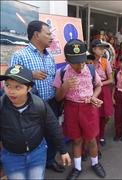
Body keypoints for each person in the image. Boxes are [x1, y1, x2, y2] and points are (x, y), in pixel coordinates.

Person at [10, 20, 65, 172]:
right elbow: (11, 82)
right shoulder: (19, 55)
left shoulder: (49, 57)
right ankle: (33, 167)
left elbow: (55, 80)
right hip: (30, 106)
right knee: (32, 138)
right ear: (36, 35)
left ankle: (50, 160)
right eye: (48, 34)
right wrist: (30, 75)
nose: (51, 37)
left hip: (51, 103)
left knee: (53, 135)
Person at [0, 65, 71, 179]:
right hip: (12, 157)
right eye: (7, 86)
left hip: (37, 154)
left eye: (17, 87)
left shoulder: (39, 104)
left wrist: (63, 150)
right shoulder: (2, 106)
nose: (11, 91)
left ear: (29, 88)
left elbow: (53, 127)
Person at [53, 39, 106, 179]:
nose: (80, 65)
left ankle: (95, 163)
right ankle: (77, 167)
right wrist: (65, 86)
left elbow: (99, 86)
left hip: (89, 108)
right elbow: (58, 98)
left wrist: (93, 97)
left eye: (82, 60)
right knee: (76, 140)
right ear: (67, 60)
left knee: (91, 139)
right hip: (71, 108)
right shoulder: (62, 73)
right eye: (76, 62)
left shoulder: (90, 69)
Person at [91, 39, 114, 146]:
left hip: (103, 90)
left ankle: (101, 136)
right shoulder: (88, 61)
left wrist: (99, 83)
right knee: (93, 116)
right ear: (93, 49)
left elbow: (111, 80)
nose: (103, 51)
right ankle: (94, 137)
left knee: (104, 115)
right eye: (100, 48)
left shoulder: (105, 62)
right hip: (91, 91)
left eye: (103, 49)